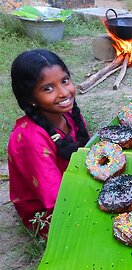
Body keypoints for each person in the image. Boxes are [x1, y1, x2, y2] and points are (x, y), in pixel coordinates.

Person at [8, 49, 90, 237]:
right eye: (48, 88)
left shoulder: (70, 115)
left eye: (65, 81)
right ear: (30, 98)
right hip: (52, 211)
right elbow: (55, 200)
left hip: (74, 188)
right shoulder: (31, 139)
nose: (63, 93)